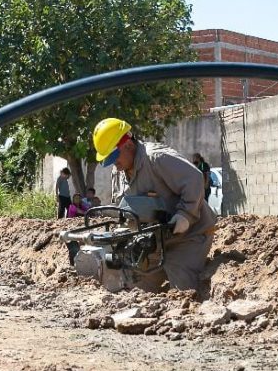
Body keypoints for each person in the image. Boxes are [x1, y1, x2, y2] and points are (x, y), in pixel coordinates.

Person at [93, 118, 217, 292]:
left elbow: (195, 179)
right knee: (136, 288)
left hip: (189, 236)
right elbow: (125, 206)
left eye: (113, 156)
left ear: (128, 144)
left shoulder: (156, 158)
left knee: (182, 290)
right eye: (108, 159)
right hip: (154, 242)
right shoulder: (119, 172)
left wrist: (185, 215)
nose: (113, 163)